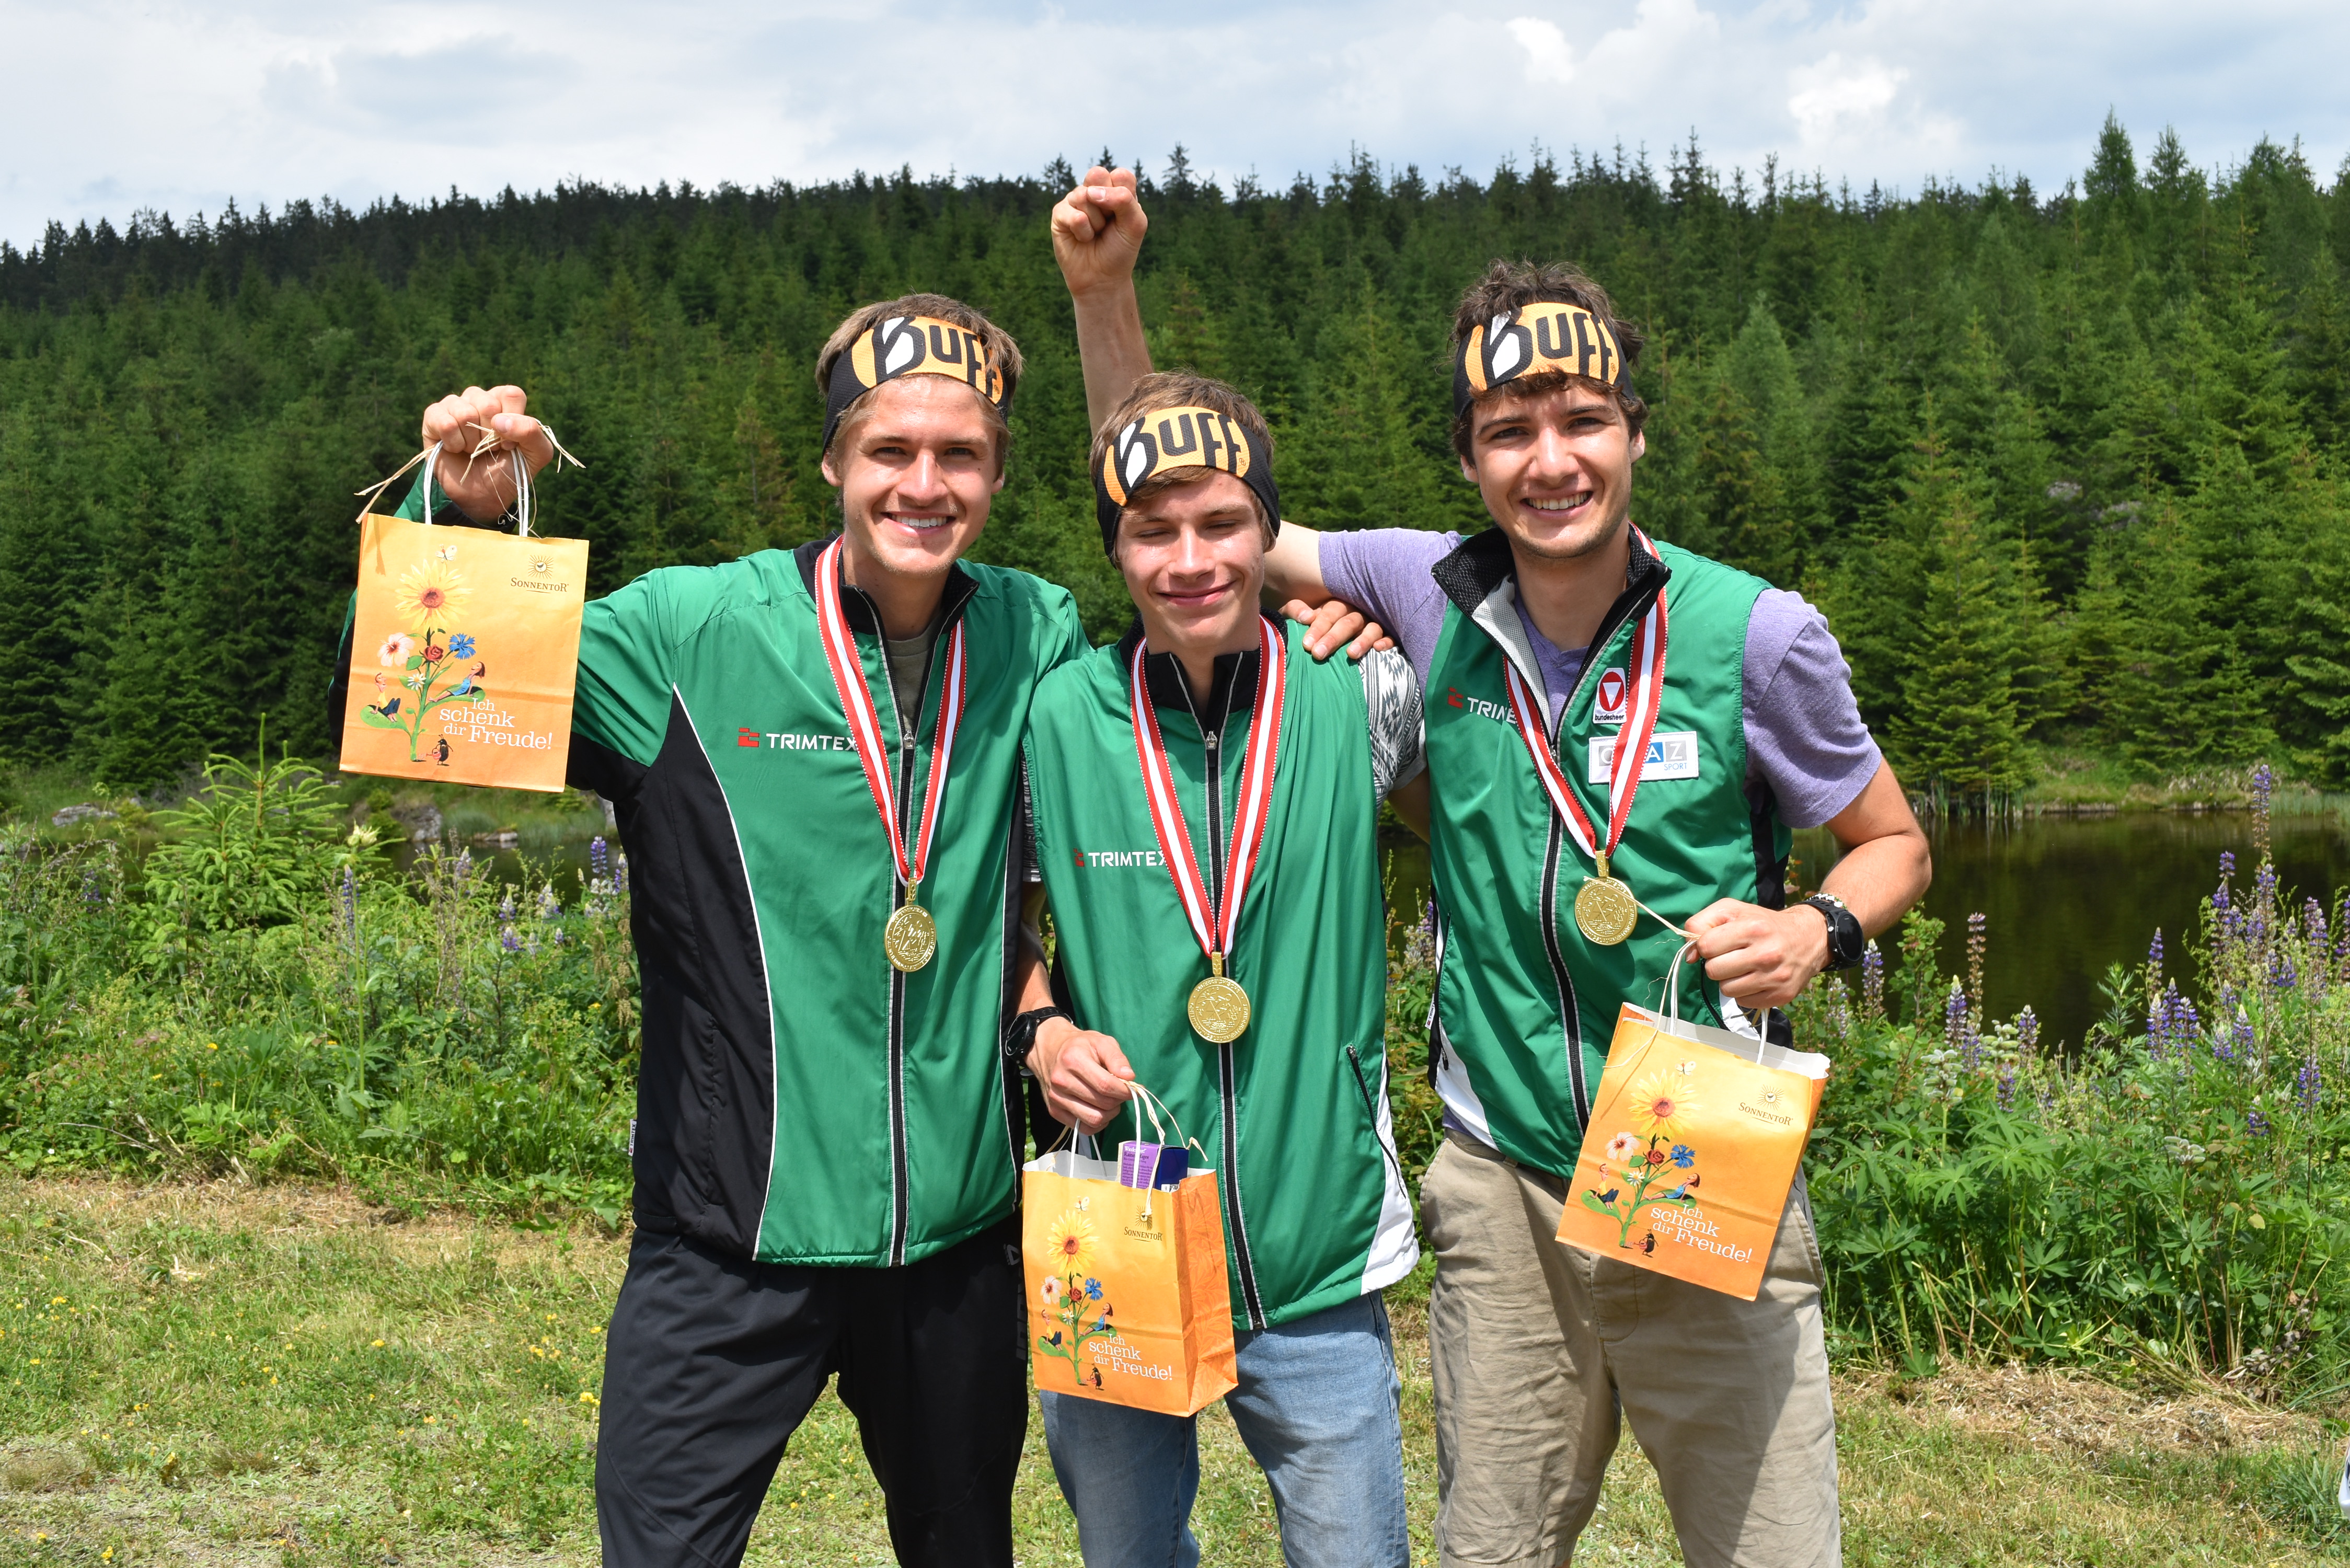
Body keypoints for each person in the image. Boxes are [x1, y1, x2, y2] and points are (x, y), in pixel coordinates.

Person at [325, 290, 1385, 1568]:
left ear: (996, 475)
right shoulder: (691, 637)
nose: (923, 486)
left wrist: (1335, 613)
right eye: (890, 451)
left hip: (955, 1255)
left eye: (962, 457)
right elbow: (399, 687)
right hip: (730, 1242)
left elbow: (1173, 605)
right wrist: (460, 511)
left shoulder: (1034, 637)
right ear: (835, 460)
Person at [1057, 168, 1932, 1568]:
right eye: (1510, 430)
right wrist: (1107, 297)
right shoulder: (1424, 587)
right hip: (1506, 1181)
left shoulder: (1759, 635)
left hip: (1706, 1158)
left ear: (1635, 433)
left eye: (1583, 421)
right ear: (1469, 459)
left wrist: (1818, 926)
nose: (1552, 459)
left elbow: (1894, 843)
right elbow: (1180, 488)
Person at [1008, 360, 1425, 1567]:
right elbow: (991, 929)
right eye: (1154, 532)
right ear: (1117, 550)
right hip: (1117, 1228)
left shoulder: (1362, 689)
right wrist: (1039, 1030)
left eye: (1222, 524)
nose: (1191, 559)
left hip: (1321, 1245)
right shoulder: (1054, 719)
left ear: (1268, 535)